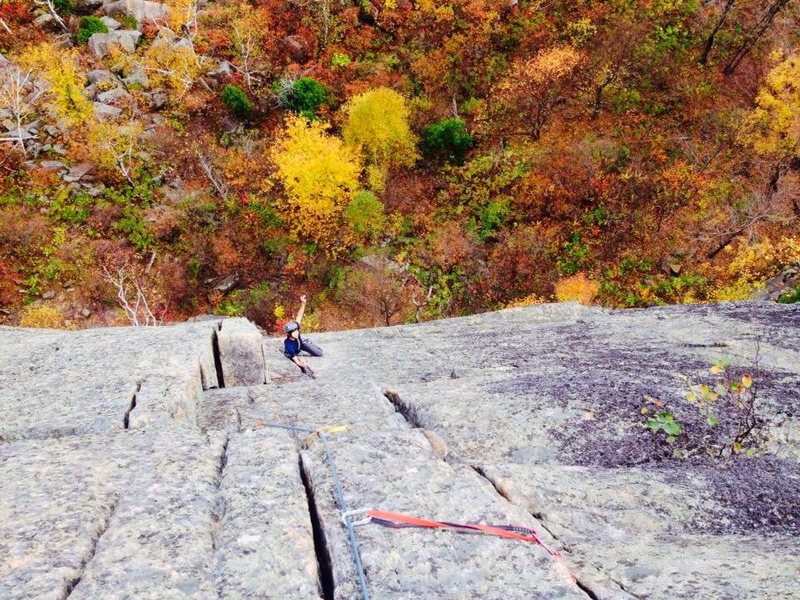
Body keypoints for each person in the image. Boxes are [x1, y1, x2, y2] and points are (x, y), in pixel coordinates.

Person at [283, 294, 323, 377]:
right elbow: (295, 359)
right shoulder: (288, 344)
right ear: (289, 334)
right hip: (294, 351)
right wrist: (301, 364)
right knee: (302, 365)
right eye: (294, 332)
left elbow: (299, 316)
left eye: (297, 330)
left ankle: (307, 342)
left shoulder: (296, 331)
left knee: (319, 353)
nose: (297, 332)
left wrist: (303, 304)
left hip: (301, 344)